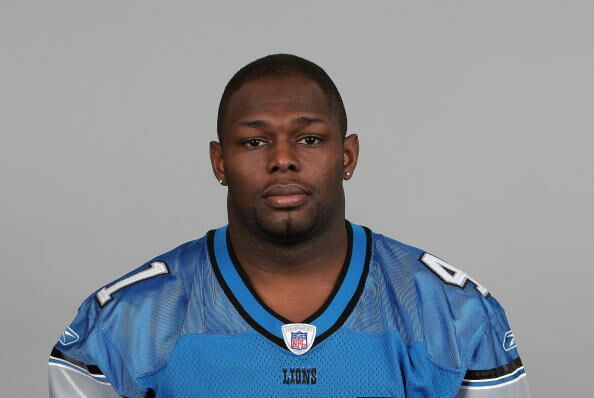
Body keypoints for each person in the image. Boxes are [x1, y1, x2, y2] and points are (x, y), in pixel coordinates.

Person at [48, 54, 531, 398]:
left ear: (347, 156)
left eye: (309, 138)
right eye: (255, 142)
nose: (283, 159)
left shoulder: (455, 312)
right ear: (220, 162)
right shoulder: (125, 320)